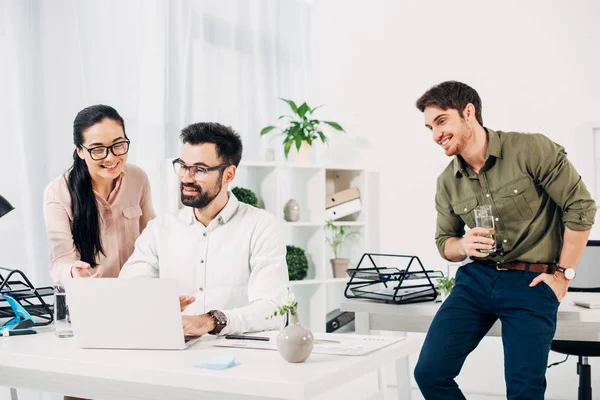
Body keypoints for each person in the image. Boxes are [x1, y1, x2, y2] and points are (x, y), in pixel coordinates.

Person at [413, 81, 597, 399]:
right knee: (430, 373)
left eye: (441, 121)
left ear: (468, 112)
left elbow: (580, 206)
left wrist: (564, 275)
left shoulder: (530, 149)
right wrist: (463, 246)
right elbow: (444, 240)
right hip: (477, 281)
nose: (435, 135)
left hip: (532, 283)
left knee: (524, 391)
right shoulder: (447, 182)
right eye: (430, 127)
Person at [119, 122, 289, 336]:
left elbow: (273, 309)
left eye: (199, 170)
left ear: (228, 174)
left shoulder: (260, 226)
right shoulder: (160, 228)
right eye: (183, 166)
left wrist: (212, 321)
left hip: (240, 358)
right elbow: (128, 291)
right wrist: (158, 304)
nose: (186, 178)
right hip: (173, 353)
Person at [44, 104, 155, 285]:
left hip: (135, 292)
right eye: (97, 149)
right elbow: (60, 262)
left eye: (118, 145)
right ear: (80, 151)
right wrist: (72, 272)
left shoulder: (138, 179)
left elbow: (152, 240)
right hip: (90, 297)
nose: (110, 158)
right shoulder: (57, 193)